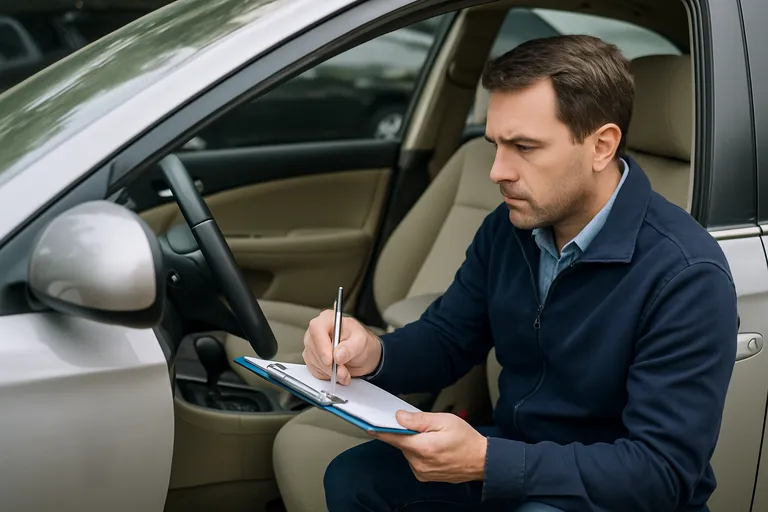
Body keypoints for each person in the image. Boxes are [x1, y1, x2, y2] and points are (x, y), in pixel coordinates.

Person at [301, 34, 738, 512]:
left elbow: (660, 473)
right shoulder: (510, 229)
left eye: (524, 147)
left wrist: (488, 460)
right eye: (495, 144)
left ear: (601, 146)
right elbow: (449, 338)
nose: (497, 171)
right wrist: (372, 352)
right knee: (355, 478)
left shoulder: (686, 274)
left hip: (610, 491)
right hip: (516, 452)